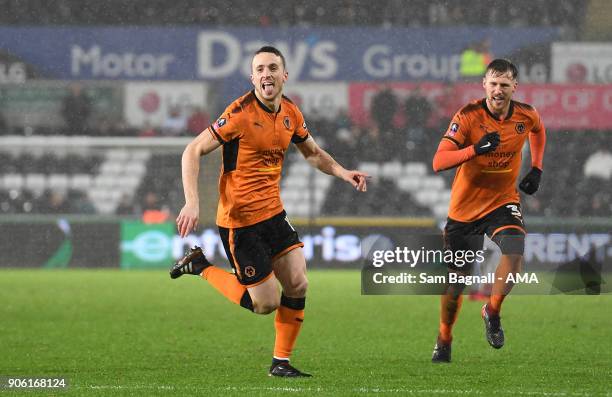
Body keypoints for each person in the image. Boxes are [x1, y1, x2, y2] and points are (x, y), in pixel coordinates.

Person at [169, 46, 368, 377]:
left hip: (273, 214)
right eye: (259, 69)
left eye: (272, 68)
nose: (266, 74)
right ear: (252, 78)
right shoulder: (239, 114)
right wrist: (192, 201)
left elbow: (314, 153)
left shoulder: (291, 113)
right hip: (240, 222)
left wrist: (343, 172)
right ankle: (201, 266)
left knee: (299, 283)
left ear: (284, 75)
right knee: (265, 303)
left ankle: (281, 362)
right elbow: (192, 150)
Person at [430, 59, 546, 363]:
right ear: (484, 84)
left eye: (504, 85)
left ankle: (492, 311)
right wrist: (475, 149)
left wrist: (536, 168)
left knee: (515, 249)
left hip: (502, 201)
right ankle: (444, 337)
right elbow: (439, 161)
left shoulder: (526, 114)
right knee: (456, 284)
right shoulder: (467, 116)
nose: (498, 90)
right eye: (493, 84)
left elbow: (538, 129)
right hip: (465, 209)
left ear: (514, 88)